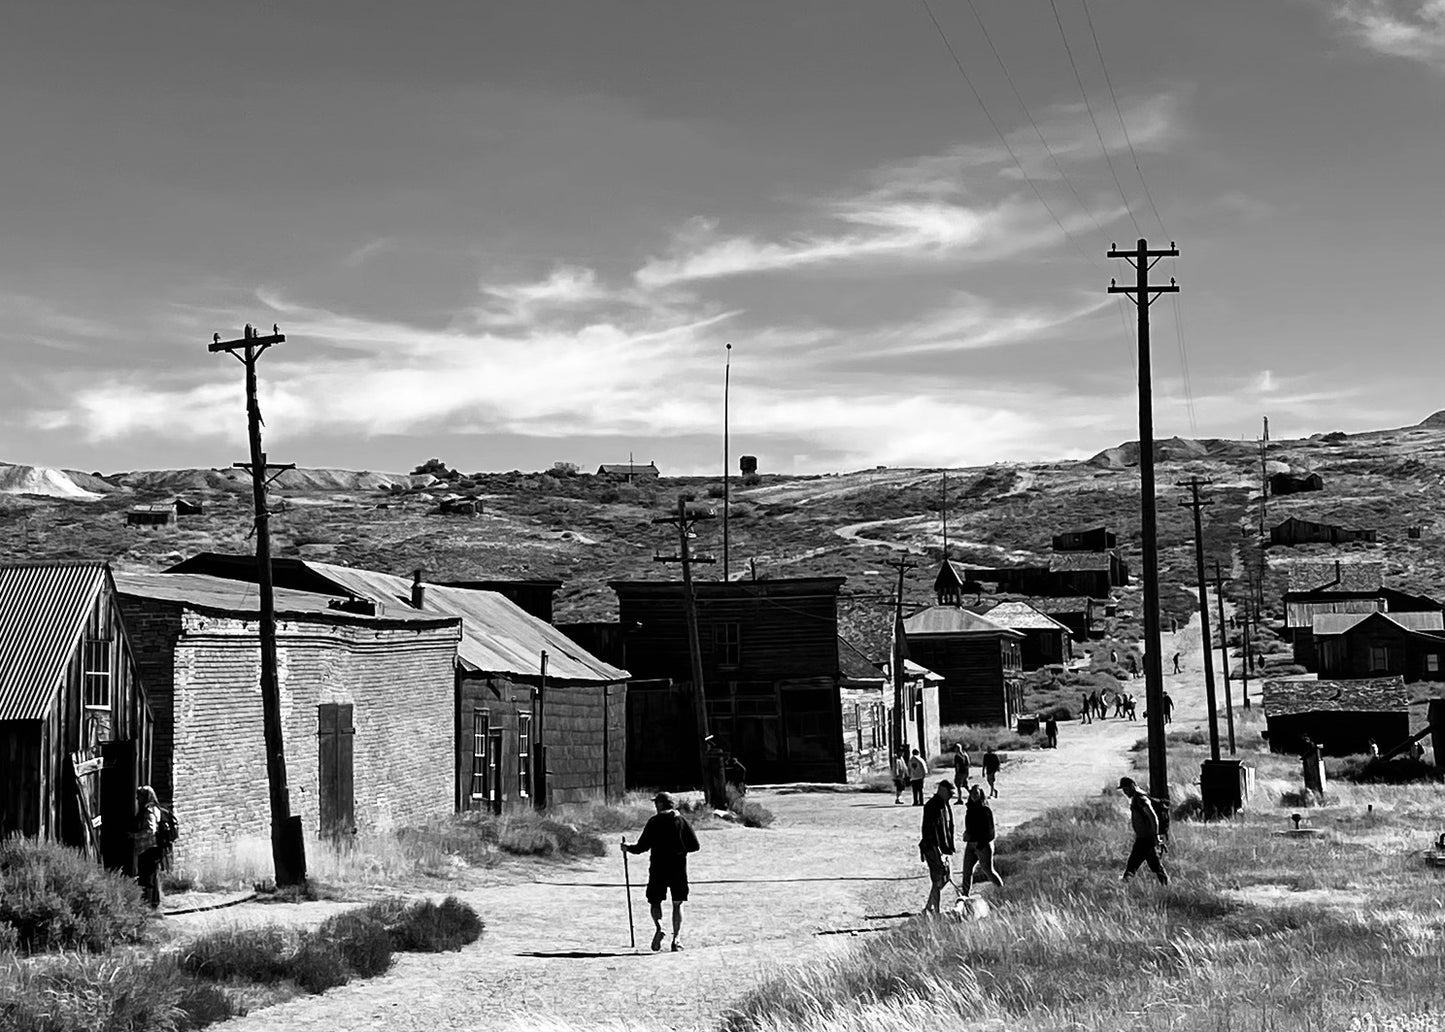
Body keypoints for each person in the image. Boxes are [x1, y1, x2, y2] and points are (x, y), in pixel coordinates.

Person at [622, 791, 700, 952]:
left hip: (658, 867)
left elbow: (641, 847)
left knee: (655, 901)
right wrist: (680, 850)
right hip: (678, 867)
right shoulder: (681, 821)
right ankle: (676, 939)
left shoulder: (654, 822)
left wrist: (628, 848)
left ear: (659, 804)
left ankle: (659, 927)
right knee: (677, 903)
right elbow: (694, 845)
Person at [1118, 777, 1169, 885]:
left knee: (1133, 863)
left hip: (1146, 838)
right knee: (1155, 865)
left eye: (1126, 789)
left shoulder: (1141, 799)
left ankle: (1124, 884)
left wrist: (1156, 837)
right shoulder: (1137, 798)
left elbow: (1153, 817)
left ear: (1132, 786)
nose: (1125, 793)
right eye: (1123, 790)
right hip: (1144, 838)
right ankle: (1166, 884)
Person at [919, 779, 956, 916]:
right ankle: (936, 911)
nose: (951, 796)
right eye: (949, 793)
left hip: (943, 849)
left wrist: (949, 848)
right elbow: (930, 831)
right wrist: (938, 851)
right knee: (937, 880)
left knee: (945, 878)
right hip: (933, 848)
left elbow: (948, 827)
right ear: (941, 790)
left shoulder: (945, 804)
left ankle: (929, 907)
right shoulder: (932, 806)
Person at [958, 784, 1004, 895]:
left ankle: (1003, 890)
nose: (974, 795)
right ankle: (965, 895)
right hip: (971, 844)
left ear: (981, 795)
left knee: (988, 871)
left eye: (976, 793)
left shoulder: (985, 810)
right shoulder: (969, 809)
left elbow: (990, 832)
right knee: (967, 871)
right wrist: (967, 834)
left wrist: (980, 844)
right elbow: (970, 827)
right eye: (972, 793)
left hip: (983, 845)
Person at [132, 785, 164, 909]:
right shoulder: (156, 808)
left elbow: (151, 830)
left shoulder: (149, 811)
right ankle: (154, 903)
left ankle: (148, 905)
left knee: (147, 877)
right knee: (152, 876)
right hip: (153, 848)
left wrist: (135, 836)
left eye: (139, 796)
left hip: (149, 848)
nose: (137, 798)